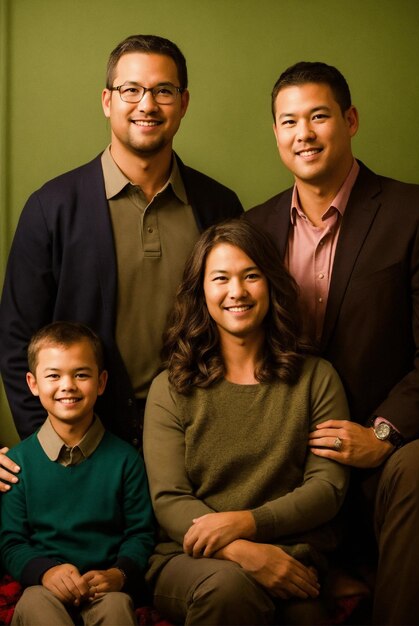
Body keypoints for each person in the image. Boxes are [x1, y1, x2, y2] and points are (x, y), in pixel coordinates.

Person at [245, 61, 419, 625]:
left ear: (350, 119)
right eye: (288, 122)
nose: (303, 134)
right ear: (276, 134)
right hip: (287, 455)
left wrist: (382, 434)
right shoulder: (254, 228)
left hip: (382, 452)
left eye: (318, 117)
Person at [0, 34, 243, 488]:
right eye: (131, 90)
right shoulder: (52, 207)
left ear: (183, 102)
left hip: (199, 442)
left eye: (163, 90)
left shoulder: (217, 205)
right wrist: (50, 444)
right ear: (107, 101)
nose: (146, 104)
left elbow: (241, 329)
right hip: (88, 446)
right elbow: (17, 339)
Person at [143, 219, 350, 625]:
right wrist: (243, 549)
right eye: (220, 278)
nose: (236, 292)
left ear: (271, 284)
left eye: (251, 276)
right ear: (201, 292)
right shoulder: (170, 388)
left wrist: (249, 523)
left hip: (290, 554)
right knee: (230, 589)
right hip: (191, 559)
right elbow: (170, 501)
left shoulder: (316, 377)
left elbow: (327, 488)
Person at [0, 321, 155, 626]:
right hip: (42, 587)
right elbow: (12, 542)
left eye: (81, 374)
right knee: (35, 607)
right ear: (33, 384)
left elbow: (141, 534)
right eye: (53, 376)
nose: (67, 385)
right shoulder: (17, 464)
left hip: (105, 588)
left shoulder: (126, 460)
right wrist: (45, 572)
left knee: (117, 609)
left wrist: (118, 574)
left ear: (101, 382)